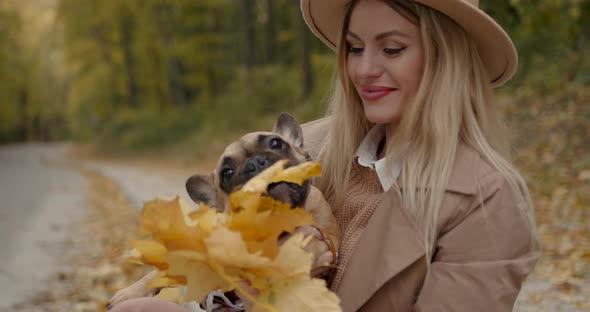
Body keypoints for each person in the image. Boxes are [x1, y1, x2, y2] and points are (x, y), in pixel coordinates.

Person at [110, 0, 540, 311]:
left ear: (447, 60)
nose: (364, 70)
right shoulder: (307, 150)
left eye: (391, 49)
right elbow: (219, 250)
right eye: (354, 47)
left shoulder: (486, 202)